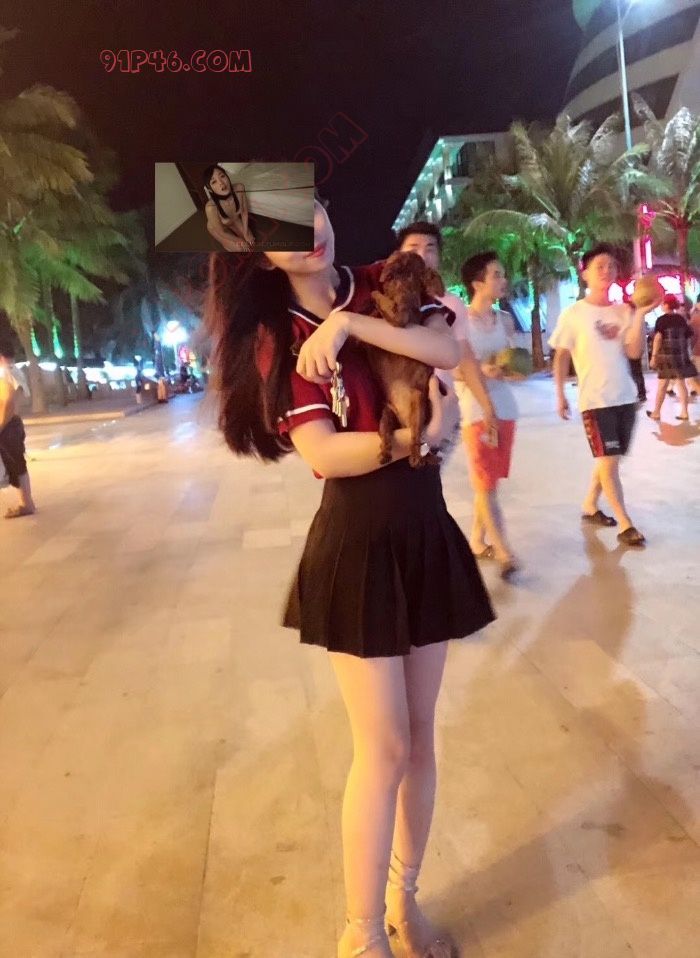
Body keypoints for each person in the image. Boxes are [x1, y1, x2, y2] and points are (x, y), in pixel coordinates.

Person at [204, 197, 495, 958]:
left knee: (422, 739)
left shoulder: (379, 281)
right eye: (281, 232)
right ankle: (360, 932)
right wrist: (418, 439)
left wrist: (353, 326)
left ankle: (404, 901)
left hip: (425, 532)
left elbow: (446, 345)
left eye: (310, 210)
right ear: (260, 256)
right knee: (386, 746)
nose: (309, 234)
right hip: (358, 545)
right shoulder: (278, 338)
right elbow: (326, 455)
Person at [395, 226, 520, 578]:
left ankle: (439, 558)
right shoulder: (387, 301)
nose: (422, 254)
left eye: (430, 248)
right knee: (406, 489)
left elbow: (464, 359)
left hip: (446, 415)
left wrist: (489, 408)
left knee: (430, 487)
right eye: (413, 246)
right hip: (401, 414)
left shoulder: (451, 306)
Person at [549, 244, 662, 547]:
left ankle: (590, 505)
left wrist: (640, 314)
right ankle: (625, 524)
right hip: (595, 401)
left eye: (611, 265)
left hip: (625, 396)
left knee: (609, 460)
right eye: (599, 266)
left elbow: (634, 352)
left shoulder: (623, 310)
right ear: (584, 273)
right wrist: (560, 394)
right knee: (608, 461)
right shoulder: (574, 314)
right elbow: (561, 356)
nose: (606, 270)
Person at [646, 294, 699, 422]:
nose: (661, 306)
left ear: (666, 305)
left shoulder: (661, 320)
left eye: (662, 303)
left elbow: (658, 338)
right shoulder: (680, 319)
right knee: (681, 383)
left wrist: (654, 356)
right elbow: (688, 335)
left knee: (662, 385)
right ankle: (684, 412)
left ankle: (656, 412)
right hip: (680, 356)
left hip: (667, 357)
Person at [0, 341, 36, 519]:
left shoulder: (5, 373)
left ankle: (26, 504)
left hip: (8, 425)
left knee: (16, 464)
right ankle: (26, 502)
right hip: (14, 423)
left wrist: (0, 425)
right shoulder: (16, 371)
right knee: (18, 463)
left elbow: (8, 401)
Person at [203, 164, 254, 252]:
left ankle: (237, 234)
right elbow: (221, 232)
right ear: (210, 189)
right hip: (219, 228)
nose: (221, 183)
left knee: (251, 241)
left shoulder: (239, 188)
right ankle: (225, 243)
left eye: (222, 176)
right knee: (240, 248)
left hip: (233, 220)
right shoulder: (211, 207)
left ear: (227, 176)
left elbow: (244, 212)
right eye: (214, 182)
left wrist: (246, 233)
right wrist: (240, 240)